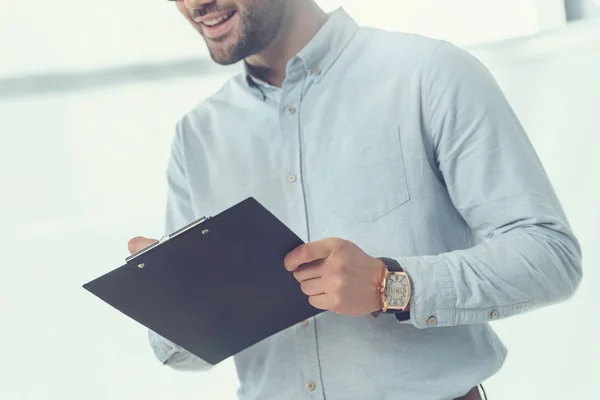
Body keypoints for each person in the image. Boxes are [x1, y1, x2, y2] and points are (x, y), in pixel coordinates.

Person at [127, 0, 583, 399]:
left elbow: (549, 255)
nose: (194, 4)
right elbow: (177, 354)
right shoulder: (197, 136)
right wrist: (176, 299)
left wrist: (393, 284)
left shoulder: (429, 75)